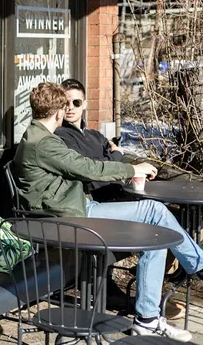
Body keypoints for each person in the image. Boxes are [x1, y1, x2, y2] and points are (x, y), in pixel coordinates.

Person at [13, 82, 203, 341]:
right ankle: (191, 271)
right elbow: (88, 168)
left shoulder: (34, 136)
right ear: (58, 113)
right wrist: (132, 169)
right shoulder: (45, 143)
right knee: (154, 212)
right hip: (69, 219)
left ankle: (150, 314)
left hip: (72, 209)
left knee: (157, 225)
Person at [55, 79, 127, 202]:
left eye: (76, 102)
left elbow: (108, 159)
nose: (70, 107)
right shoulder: (60, 135)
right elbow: (89, 167)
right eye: (66, 103)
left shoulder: (95, 135)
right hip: (94, 201)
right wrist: (116, 154)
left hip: (116, 193)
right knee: (154, 210)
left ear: (84, 104)